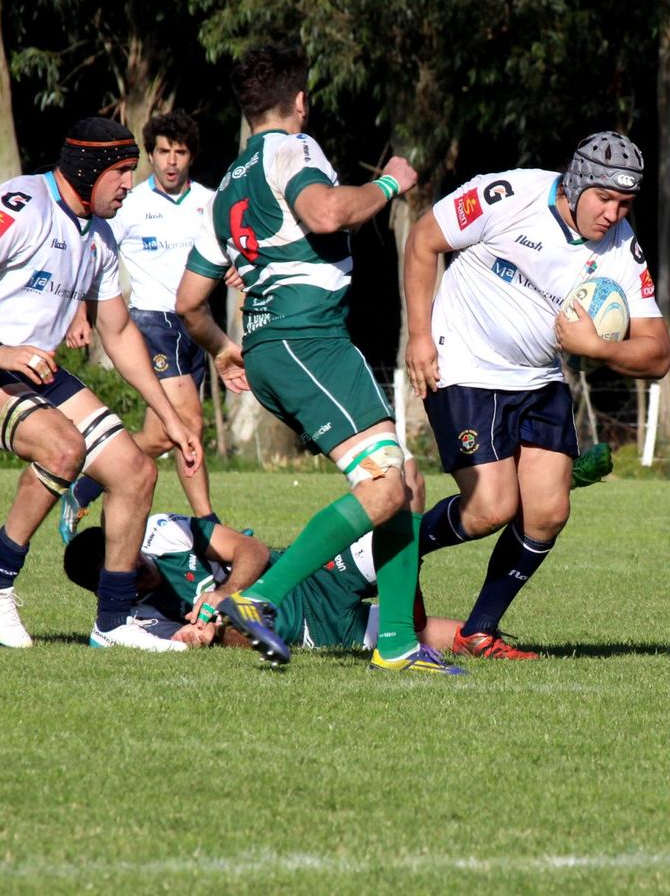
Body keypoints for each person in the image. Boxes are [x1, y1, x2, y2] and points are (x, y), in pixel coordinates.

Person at [174, 44, 464, 675]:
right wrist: (390, 182)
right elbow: (328, 211)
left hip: (281, 348)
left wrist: (225, 350)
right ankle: (259, 598)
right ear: (299, 102)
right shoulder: (293, 150)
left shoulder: (222, 191)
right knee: (389, 487)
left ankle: (394, 644)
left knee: (404, 482)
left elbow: (189, 302)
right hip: (310, 342)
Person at [0, 116, 203, 652]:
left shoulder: (98, 237)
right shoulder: (23, 203)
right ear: (89, 169)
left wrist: (171, 419)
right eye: (121, 171)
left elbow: (117, 332)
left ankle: (114, 624)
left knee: (136, 472)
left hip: (32, 371)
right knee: (62, 448)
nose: (129, 184)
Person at [403, 132, 670, 659]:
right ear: (575, 183)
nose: (613, 214)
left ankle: (479, 630)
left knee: (547, 511)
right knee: (490, 508)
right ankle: (398, 547)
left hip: (539, 379)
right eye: (605, 198)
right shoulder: (509, 196)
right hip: (464, 365)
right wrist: (417, 335)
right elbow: (422, 240)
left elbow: (658, 354)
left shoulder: (621, 246)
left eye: (625, 203)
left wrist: (597, 348)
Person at [62, 461, 464, 655]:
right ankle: (413, 598)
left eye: (133, 563)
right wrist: (203, 635)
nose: (136, 574)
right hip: (314, 629)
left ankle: (430, 547)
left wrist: (229, 591)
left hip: (316, 573)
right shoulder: (132, 622)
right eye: (123, 579)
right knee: (448, 639)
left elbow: (249, 549)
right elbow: (195, 642)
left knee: (406, 478)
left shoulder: (165, 532)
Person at [60, 111, 219, 540]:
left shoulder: (208, 202)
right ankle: (208, 527)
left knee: (162, 435)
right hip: (151, 324)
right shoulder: (132, 205)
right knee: (188, 427)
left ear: (191, 157)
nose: (171, 161)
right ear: (151, 154)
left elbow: (231, 253)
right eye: (163, 152)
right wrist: (80, 313)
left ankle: (85, 482)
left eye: (180, 152)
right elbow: (92, 255)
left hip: (194, 327)